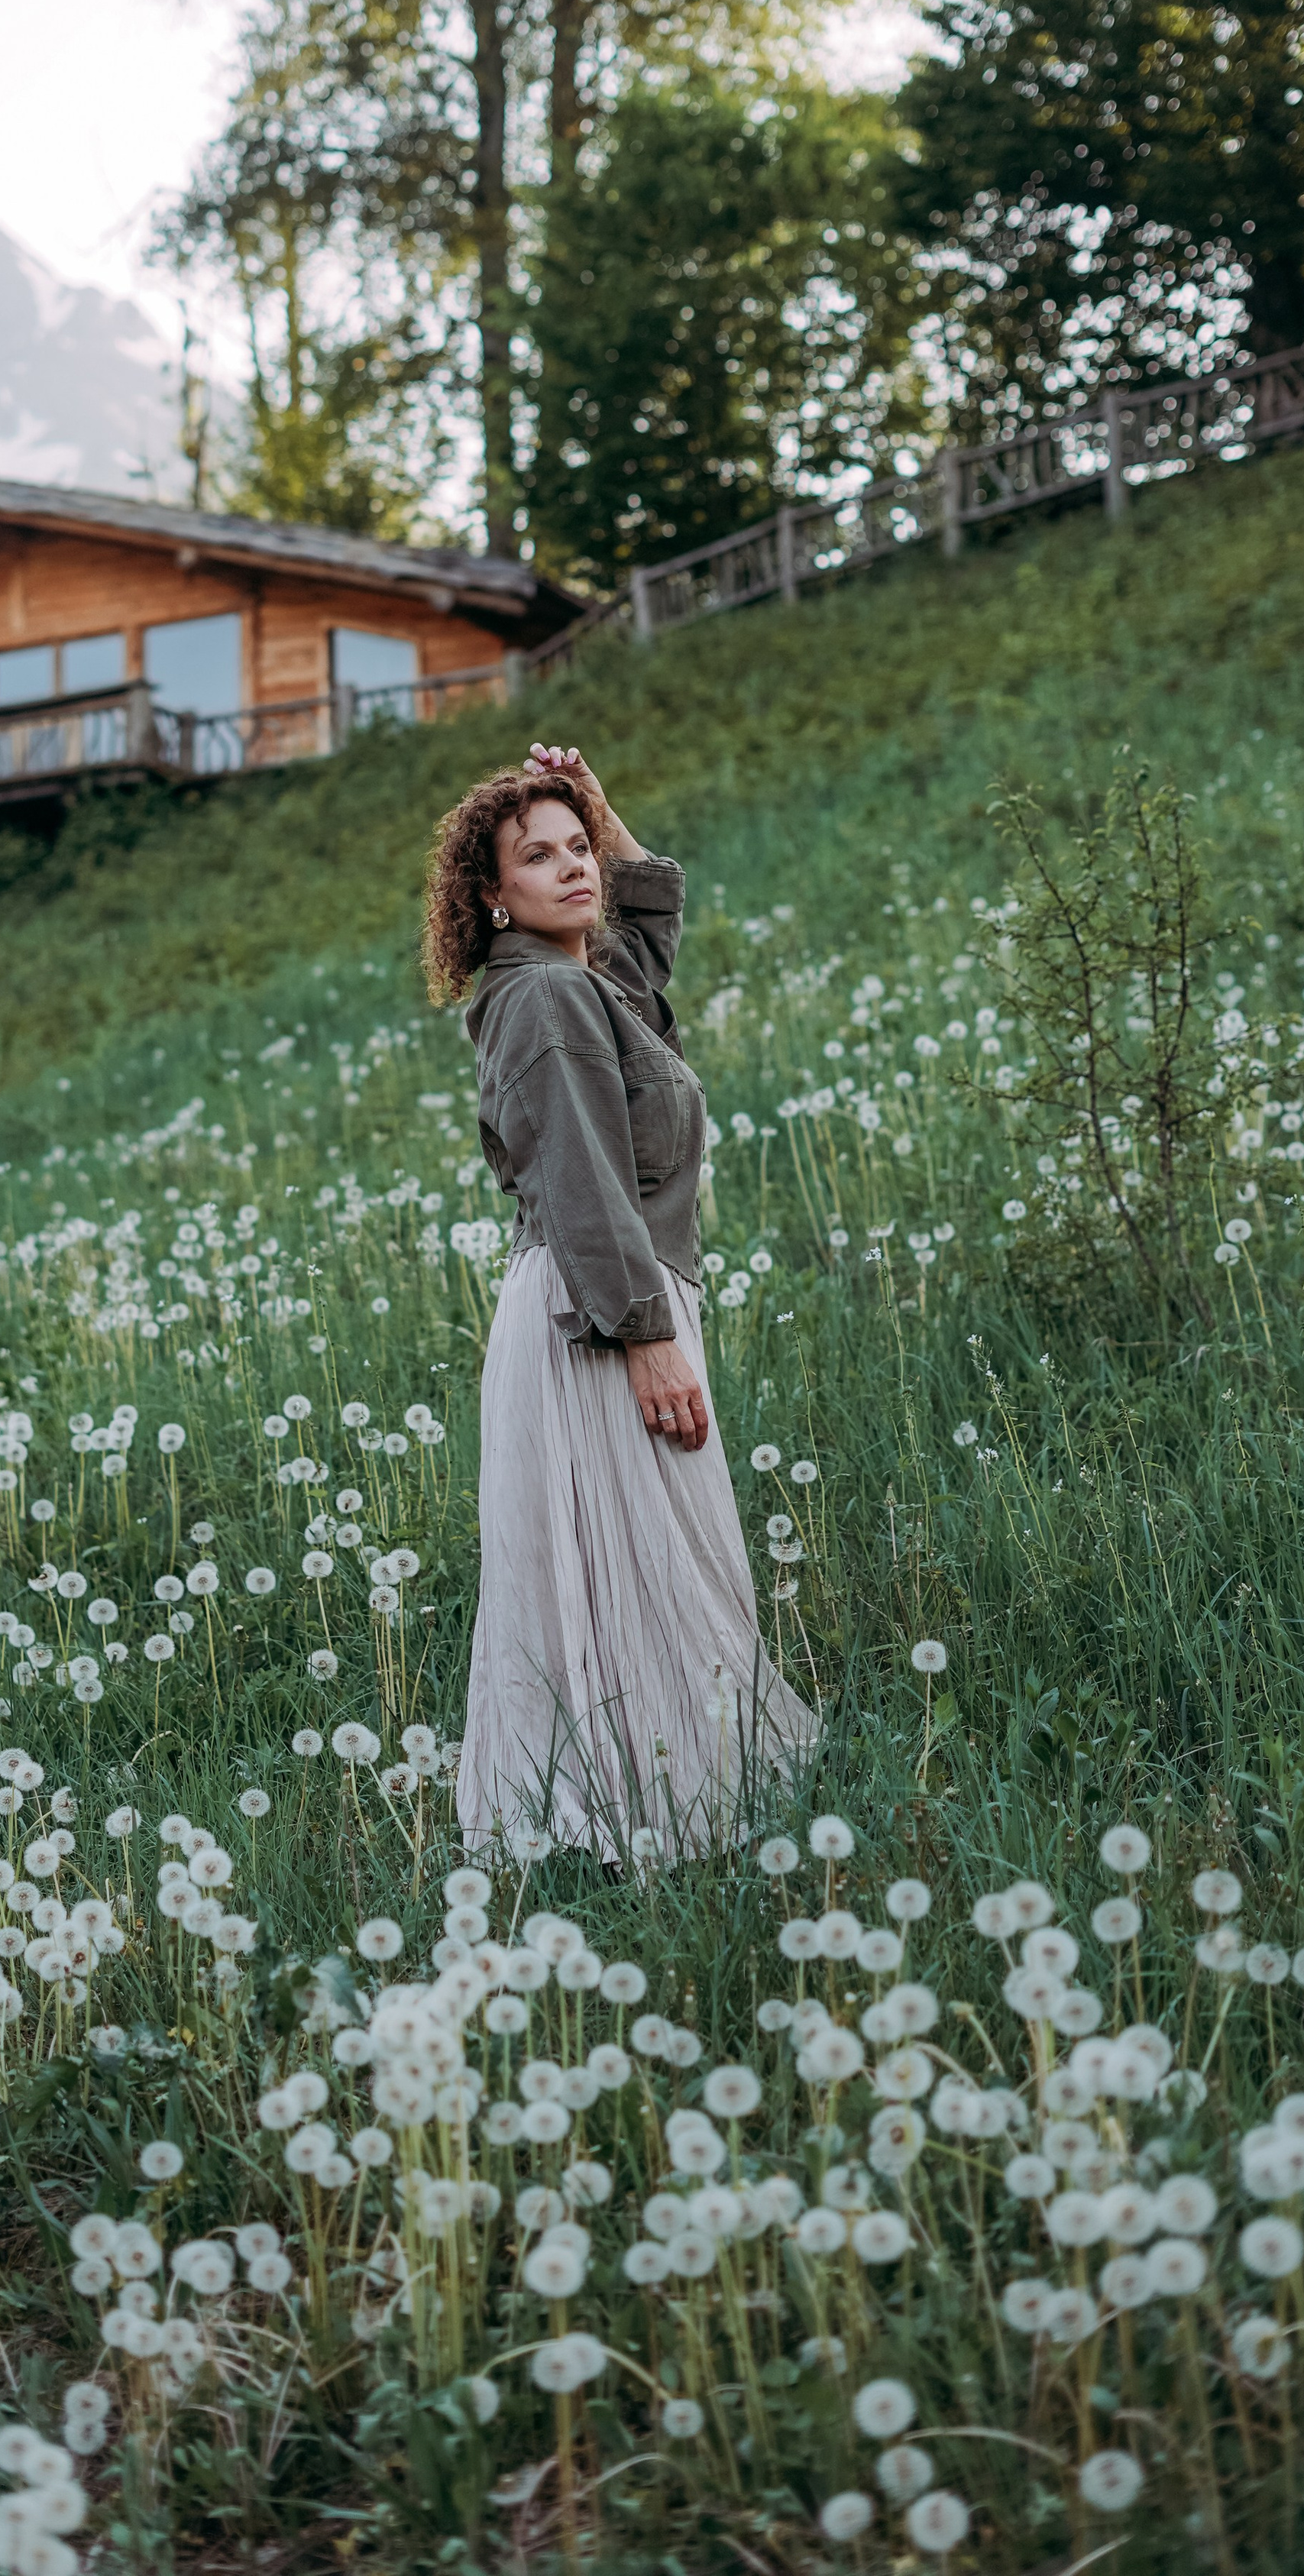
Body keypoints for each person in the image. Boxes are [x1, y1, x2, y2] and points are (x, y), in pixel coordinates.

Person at [422, 742, 814, 1860]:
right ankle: (642, 1813)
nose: (575, 866)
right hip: (597, 1315)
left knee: (657, 1559)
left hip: (623, 1300)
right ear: (494, 900)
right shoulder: (543, 1000)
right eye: (537, 857)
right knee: (635, 1564)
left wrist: (597, 801)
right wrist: (644, 1340)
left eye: (579, 846)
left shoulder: (589, 980)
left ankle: (667, 1793)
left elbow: (650, 920)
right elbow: (581, 1179)